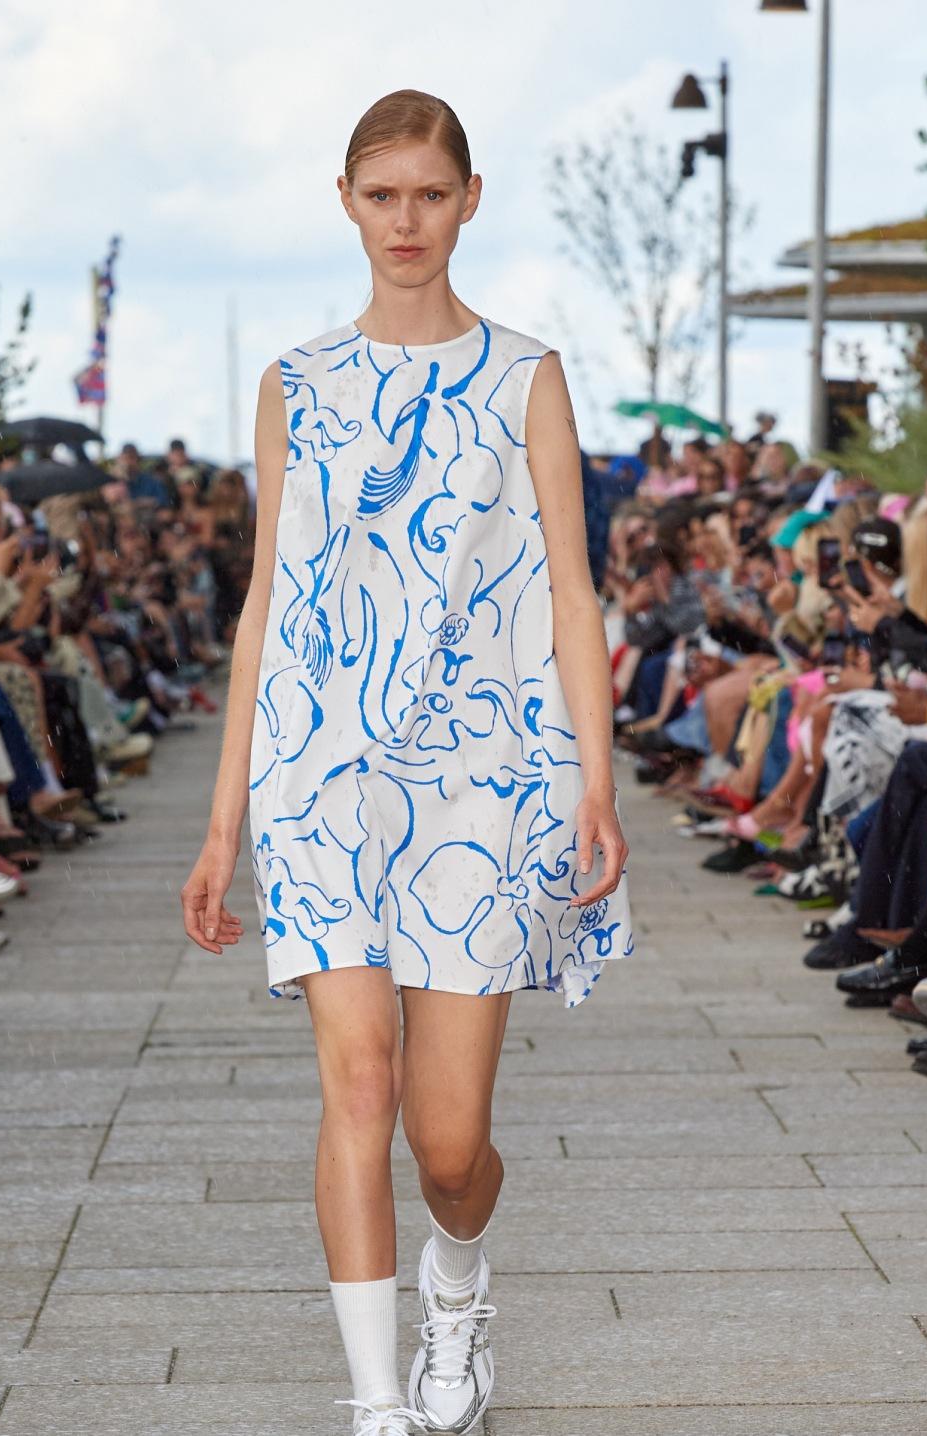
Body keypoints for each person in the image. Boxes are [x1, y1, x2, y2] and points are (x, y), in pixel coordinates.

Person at [180, 89, 633, 1436]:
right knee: (357, 1083)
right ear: (346, 201)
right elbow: (266, 600)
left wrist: (597, 785)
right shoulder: (296, 385)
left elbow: (571, 592)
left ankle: (458, 1284)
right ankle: (378, 1397)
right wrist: (222, 827)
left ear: (469, 201)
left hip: (487, 777)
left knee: (448, 1145)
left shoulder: (526, 375)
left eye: (430, 194)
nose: (407, 221)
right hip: (323, 776)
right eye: (383, 195)